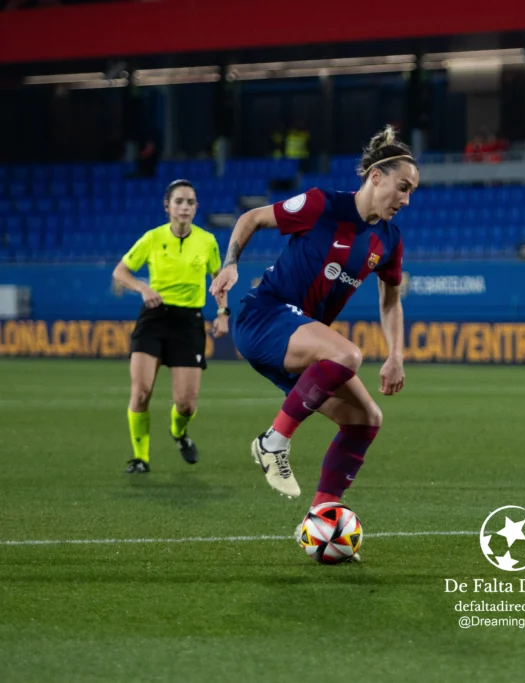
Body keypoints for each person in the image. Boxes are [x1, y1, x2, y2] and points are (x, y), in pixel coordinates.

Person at [209, 125, 414, 512]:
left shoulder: (389, 240)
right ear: (375, 176)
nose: (406, 199)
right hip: (263, 317)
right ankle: (273, 442)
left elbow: (390, 301)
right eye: (403, 187)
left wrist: (396, 356)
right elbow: (251, 218)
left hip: (297, 342)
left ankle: (322, 517)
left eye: (412, 191)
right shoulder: (322, 204)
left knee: (367, 419)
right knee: (347, 355)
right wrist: (230, 265)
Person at [112, 179, 229, 474]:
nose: (184, 207)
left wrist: (223, 312)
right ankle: (141, 458)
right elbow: (120, 271)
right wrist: (142, 288)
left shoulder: (207, 241)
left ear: (196, 208)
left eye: (190, 202)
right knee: (140, 392)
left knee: (186, 404)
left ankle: (178, 433)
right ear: (167, 207)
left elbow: (220, 280)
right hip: (153, 317)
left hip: (189, 323)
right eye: (179, 201)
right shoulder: (152, 238)